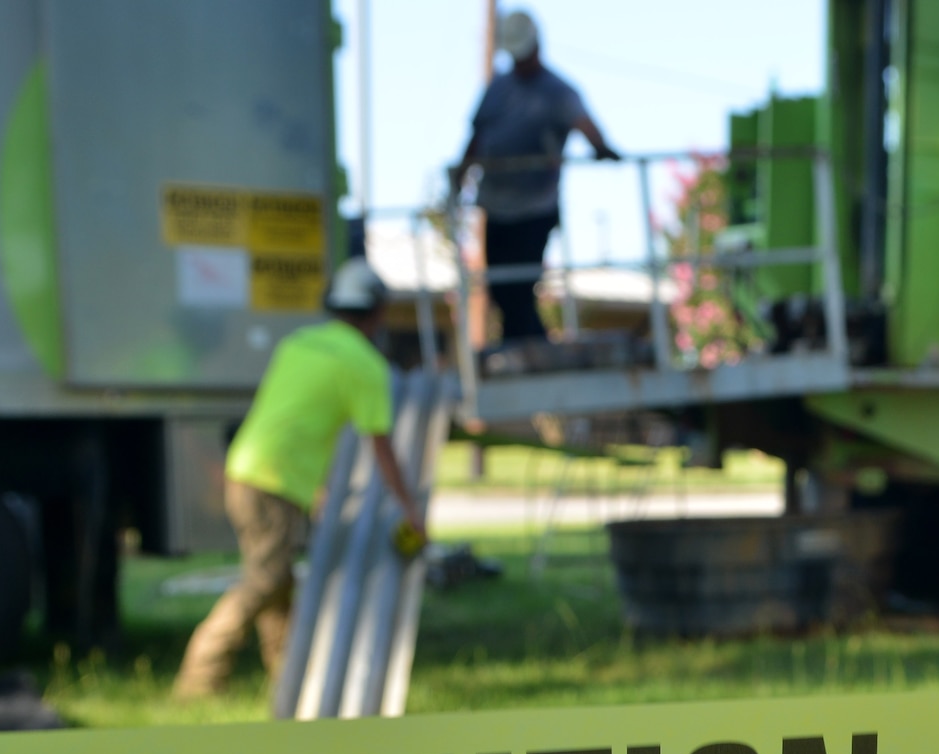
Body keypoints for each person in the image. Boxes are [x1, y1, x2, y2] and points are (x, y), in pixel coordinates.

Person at [173, 258, 424, 701]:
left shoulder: (299, 343)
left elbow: (296, 417)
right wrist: (409, 507)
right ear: (378, 313)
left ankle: (285, 679)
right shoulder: (365, 365)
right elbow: (381, 447)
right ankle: (200, 677)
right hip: (274, 482)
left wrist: (318, 486)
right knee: (265, 582)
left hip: (245, 470)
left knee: (280, 582)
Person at [454, 9, 619, 345]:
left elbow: (587, 127)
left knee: (522, 284)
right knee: (500, 287)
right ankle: (524, 343)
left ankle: (527, 345)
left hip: (535, 208)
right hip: (497, 207)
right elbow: (476, 139)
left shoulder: (557, 92)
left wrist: (603, 149)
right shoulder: (498, 89)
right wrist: (459, 176)